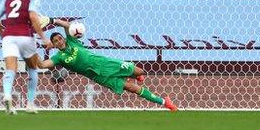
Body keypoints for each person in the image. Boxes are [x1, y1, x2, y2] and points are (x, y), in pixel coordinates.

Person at [35, 19, 178, 111]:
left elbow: (67, 25)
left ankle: (132, 75)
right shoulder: (58, 57)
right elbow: (42, 64)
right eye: (55, 41)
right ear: (53, 45)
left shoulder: (72, 40)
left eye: (60, 38)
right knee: (131, 88)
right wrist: (31, 51)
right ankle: (164, 102)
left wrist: (52, 20)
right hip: (98, 76)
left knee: (140, 72)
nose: (59, 41)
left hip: (105, 63)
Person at [0, 0, 51, 114]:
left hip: (9, 37)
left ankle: (6, 95)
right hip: (25, 36)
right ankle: (30, 104)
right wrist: (44, 38)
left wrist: (2, 34)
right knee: (33, 68)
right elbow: (33, 18)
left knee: (11, 68)